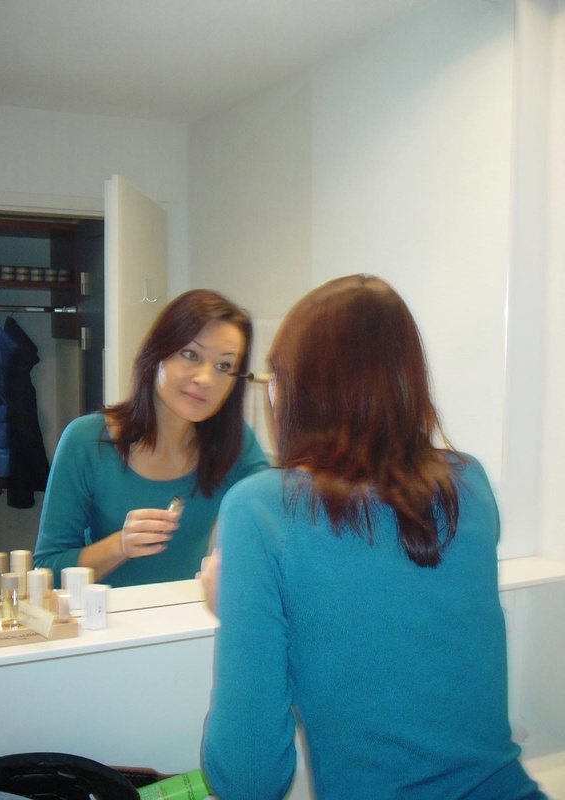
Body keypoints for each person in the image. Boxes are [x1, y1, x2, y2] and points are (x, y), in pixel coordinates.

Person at [200, 275, 547, 799]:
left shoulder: (261, 509)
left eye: (275, 375)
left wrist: (238, 605)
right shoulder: (468, 483)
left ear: (296, 389)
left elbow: (248, 779)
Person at [33, 289, 269, 588]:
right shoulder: (86, 440)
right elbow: (47, 570)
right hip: (102, 615)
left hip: (184, 616)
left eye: (224, 366)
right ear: (156, 354)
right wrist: (120, 545)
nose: (206, 379)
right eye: (191, 355)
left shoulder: (235, 443)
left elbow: (280, 517)